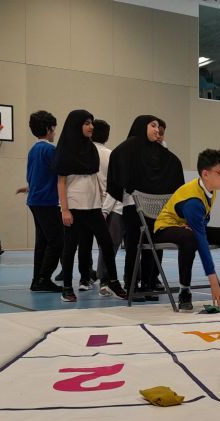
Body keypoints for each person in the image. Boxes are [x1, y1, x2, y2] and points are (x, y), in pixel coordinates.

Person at [154, 149, 220, 311]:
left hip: (188, 227)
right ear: (205, 174)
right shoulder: (193, 201)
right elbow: (201, 240)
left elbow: (203, 222)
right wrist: (213, 282)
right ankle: (185, 291)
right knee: (190, 237)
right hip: (165, 229)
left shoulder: (211, 189)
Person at [107, 115, 184, 296]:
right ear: (142, 126)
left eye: (158, 127)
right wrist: (128, 185)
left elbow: (174, 165)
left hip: (157, 208)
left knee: (153, 246)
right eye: (153, 126)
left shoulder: (160, 152)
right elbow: (117, 159)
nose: (157, 130)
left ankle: (148, 284)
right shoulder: (129, 147)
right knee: (134, 246)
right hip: (133, 205)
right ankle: (132, 285)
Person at [55, 109, 127, 302]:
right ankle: (67, 288)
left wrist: (102, 199)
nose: (91, 127)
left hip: (93, 206)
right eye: (87, 123)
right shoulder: (65, 150)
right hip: (74, 207)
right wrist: (65, 210)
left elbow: (94, 177)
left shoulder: (91, 149)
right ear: (76, 125)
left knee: (107, 243)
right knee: (70, 248)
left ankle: (113, 282)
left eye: (91, 123)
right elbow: (61, 182)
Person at [16, 111, 63, 290]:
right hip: (47, 202)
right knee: (57, 242)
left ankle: (37, 280)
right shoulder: (50, 150)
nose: (55, 132)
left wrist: (29, 188)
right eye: (54, 129)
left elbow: (34, 176)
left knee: (42, 242)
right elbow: (61, 173)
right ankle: (44, 278)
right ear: (48, 129)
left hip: (35, 201)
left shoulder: (33, 150)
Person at [92, 119, 123, 297]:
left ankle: (90, 278)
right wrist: (106, 209)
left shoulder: (85, 153)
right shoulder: (110, 155)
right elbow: (115, 185)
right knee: (110, 244)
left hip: (93, 205)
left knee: (90, 244)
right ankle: (104, 280)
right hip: (111, 205)